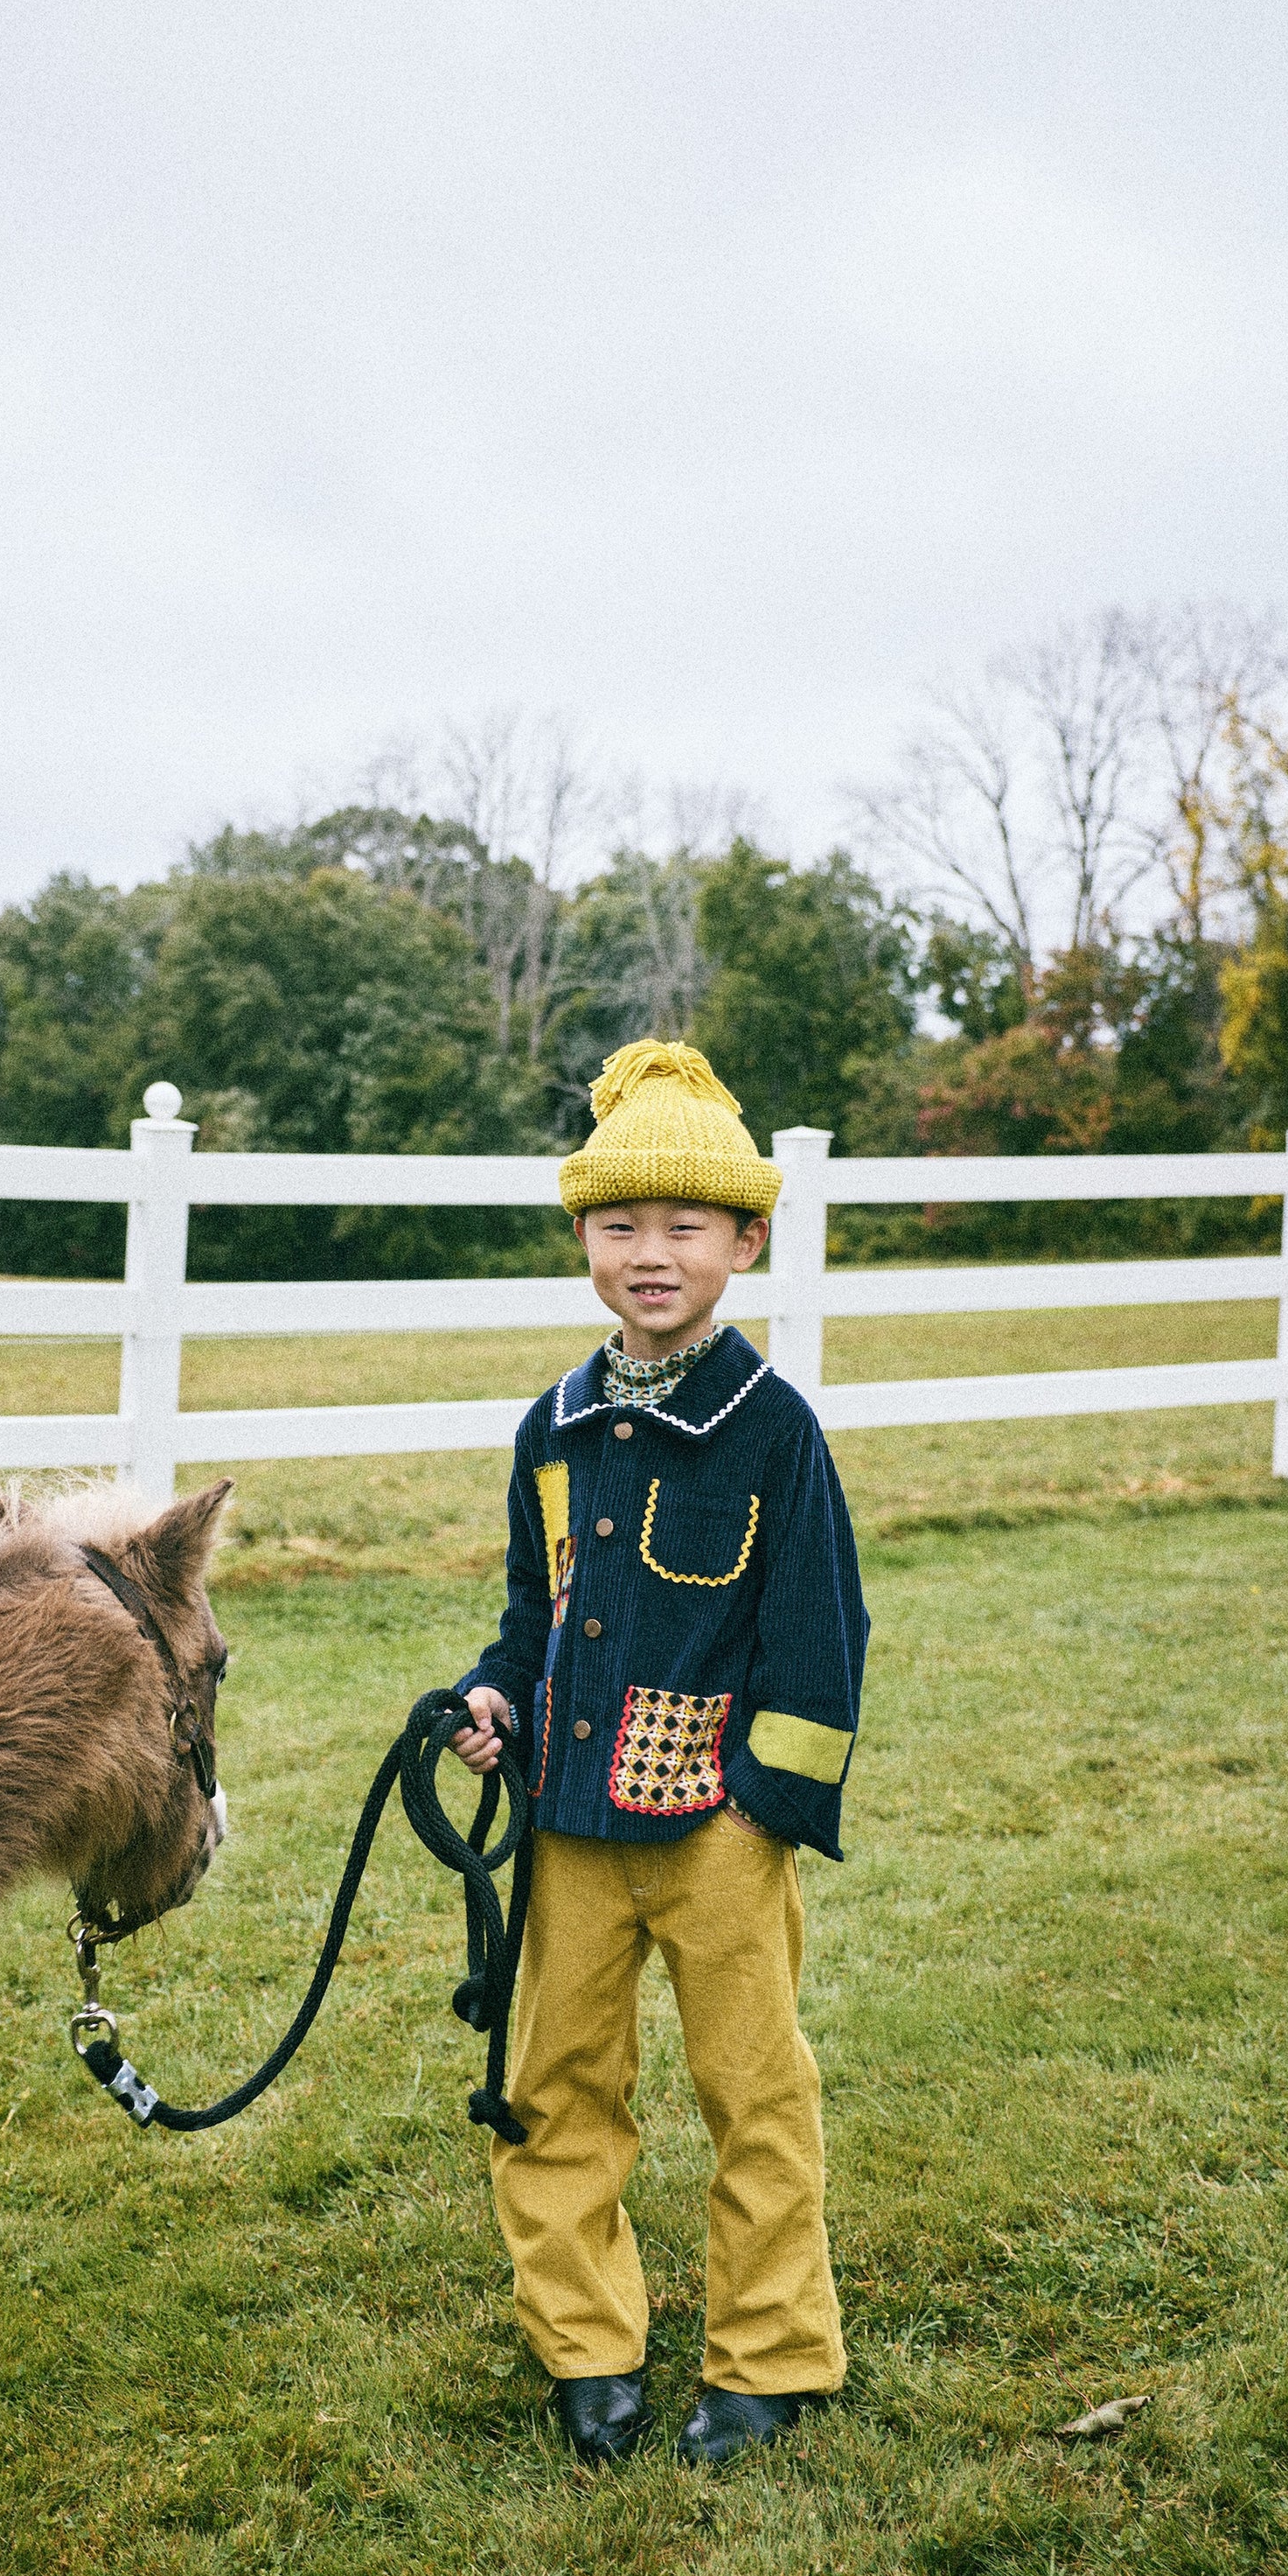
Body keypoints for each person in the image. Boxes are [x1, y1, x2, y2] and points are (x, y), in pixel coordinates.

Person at [451, 1038, 867, 2468]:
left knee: (755, 2088)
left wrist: (763, 1809)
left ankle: (771, 2355)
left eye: (685, 1224)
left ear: (746, 1238)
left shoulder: (773, 1433)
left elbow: (818, 1641)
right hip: (569, 1828)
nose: (650, 1252)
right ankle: (587, 2346)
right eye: (619, 1223)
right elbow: (532, 1614)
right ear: (582, 1237)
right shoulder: (552, 1430)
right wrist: (496, 1695)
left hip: (719, 1838)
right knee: (555, 2083)